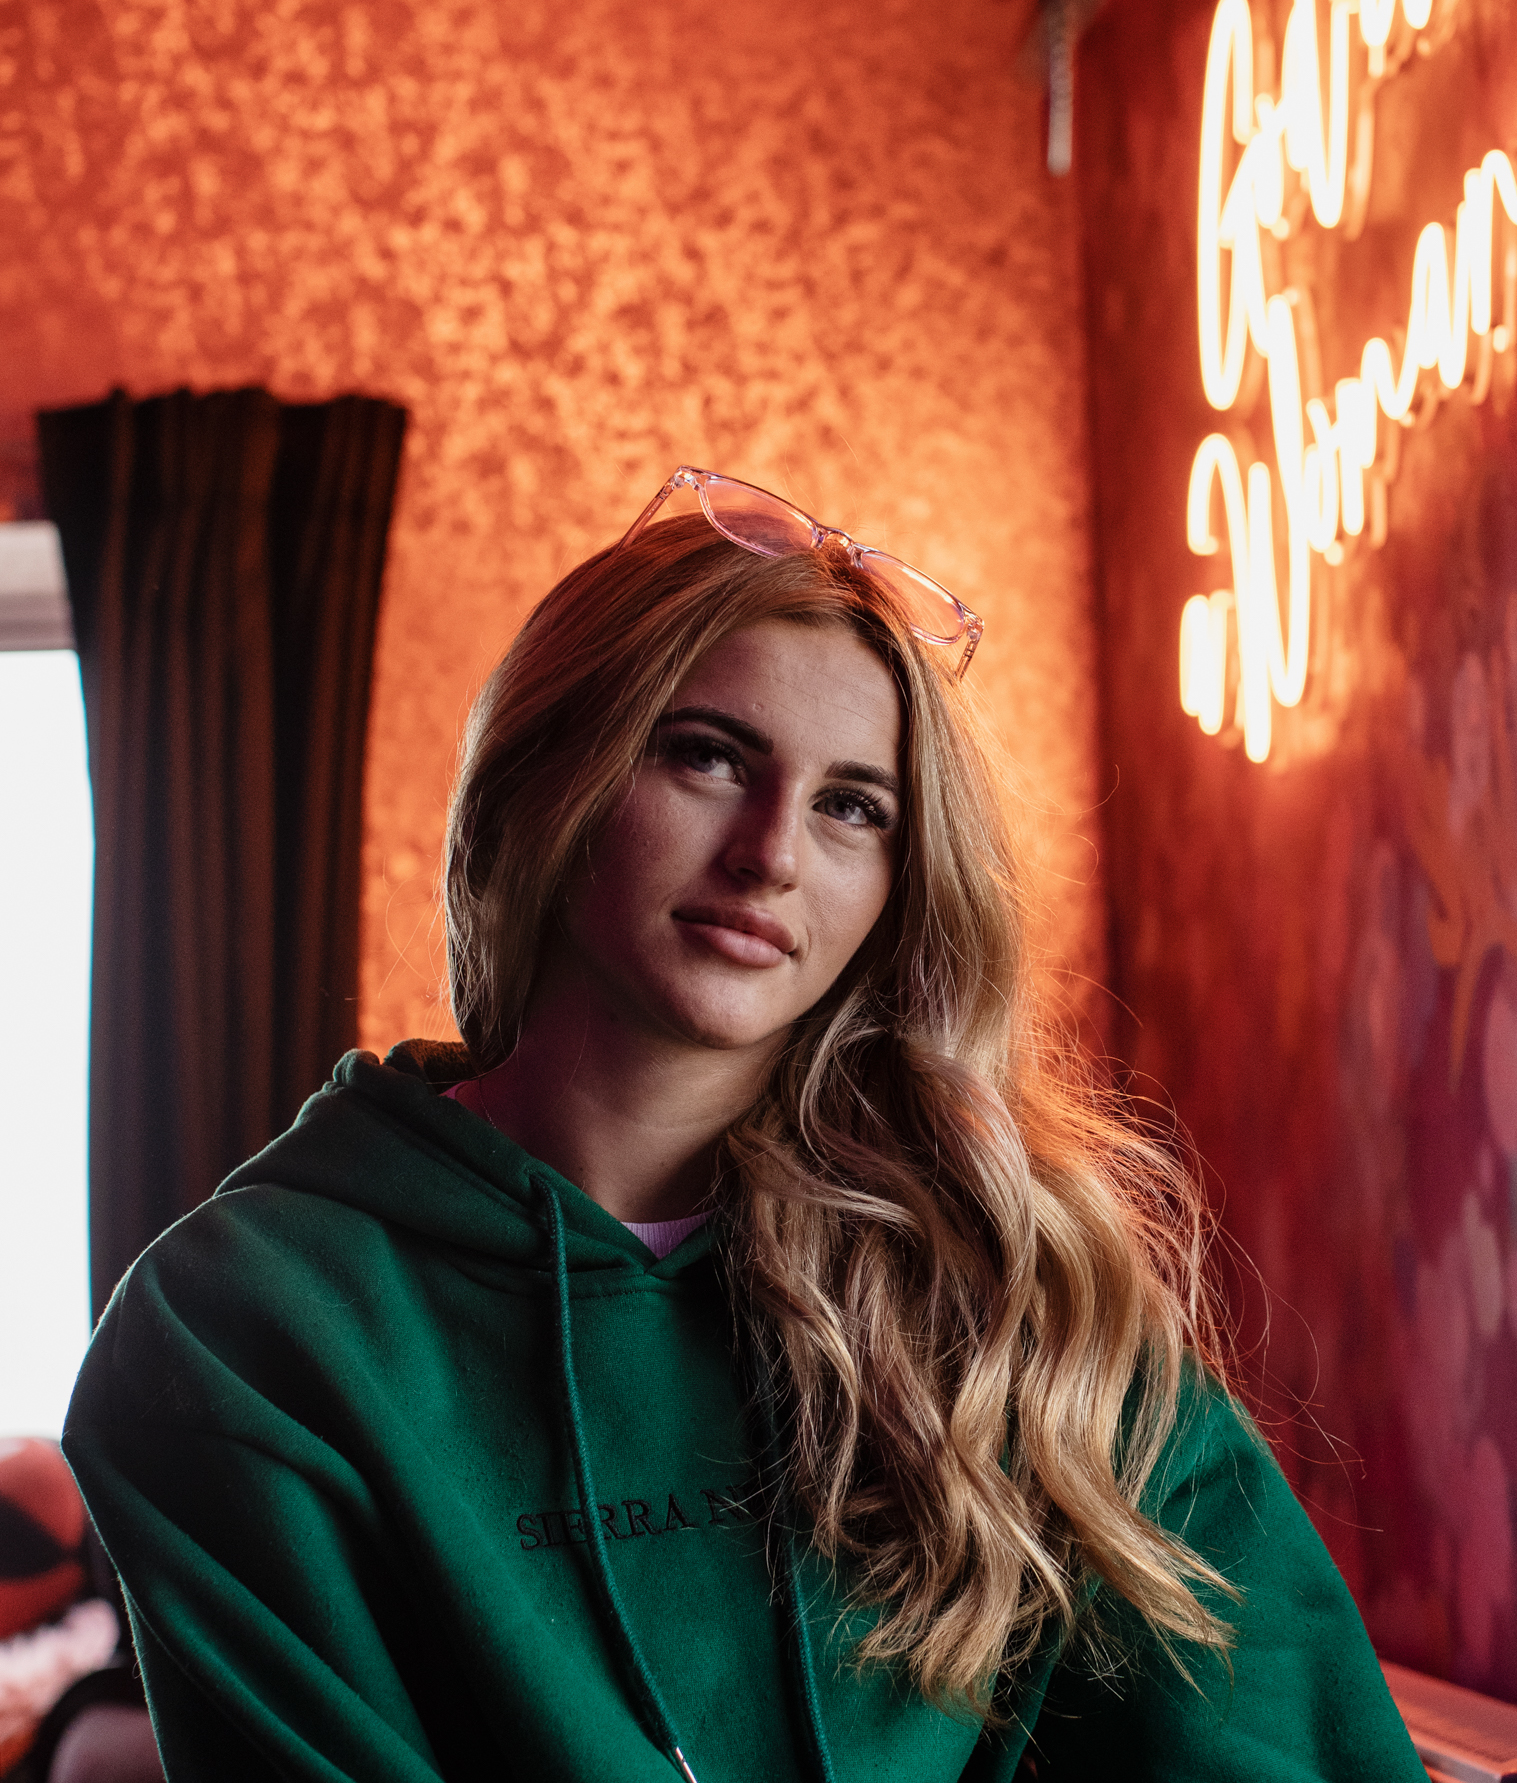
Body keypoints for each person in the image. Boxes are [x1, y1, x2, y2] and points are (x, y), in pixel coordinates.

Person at [64, 467, 1426, 1783]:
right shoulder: (242, 1326)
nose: (772, 852)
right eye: (710, 757)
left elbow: (1279, 1736)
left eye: (852, 807)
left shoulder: (1008, 1286)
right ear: (548, 774)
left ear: (899, 882)